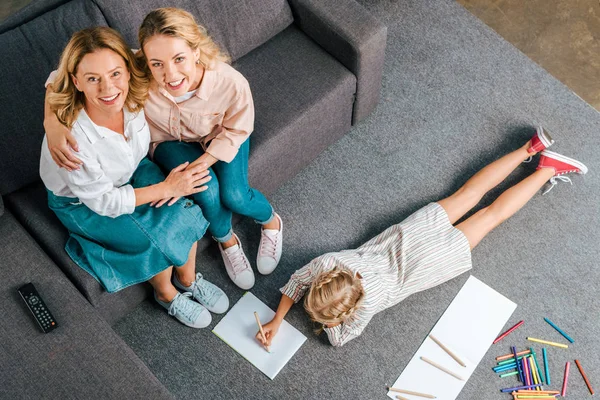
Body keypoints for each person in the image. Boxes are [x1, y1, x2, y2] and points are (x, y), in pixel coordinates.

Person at [256, 127, 588, 347]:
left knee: (491, 216)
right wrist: (283, 313)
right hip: (412, 234)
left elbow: (338, 339)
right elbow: (300, 281)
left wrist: (304, 321)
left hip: (431, 264)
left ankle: (546, 168)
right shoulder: (330, 263)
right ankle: (530, 148)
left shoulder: (364, 309)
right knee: (470, 193)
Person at [43, 8, 283, 291]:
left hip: (222, 139)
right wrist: (52, 122)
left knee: (234, 194)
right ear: (144, 60)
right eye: (157, 63)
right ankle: (227, 240)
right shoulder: (131, 69)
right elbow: (65, 73)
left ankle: (271, 222)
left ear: (196, 51)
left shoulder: (230, 83)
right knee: (205, 190)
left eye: (179, 59)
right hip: (169, 141)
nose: (170, 74)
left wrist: (205, 161)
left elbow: (238, 129)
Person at [41, 26, 229, 329]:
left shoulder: (130, 70)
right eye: (93, 79)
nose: (107, 88)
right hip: (84, 200)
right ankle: (166, 295)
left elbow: (54, 77)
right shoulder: (73, 142)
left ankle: (188, 278)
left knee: (184, 207)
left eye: (116, 74)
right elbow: (107, 201)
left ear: (129, 70)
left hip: (131, 167)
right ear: (76, 82)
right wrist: (166, 186)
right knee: (153, 240)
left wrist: (48, 118)